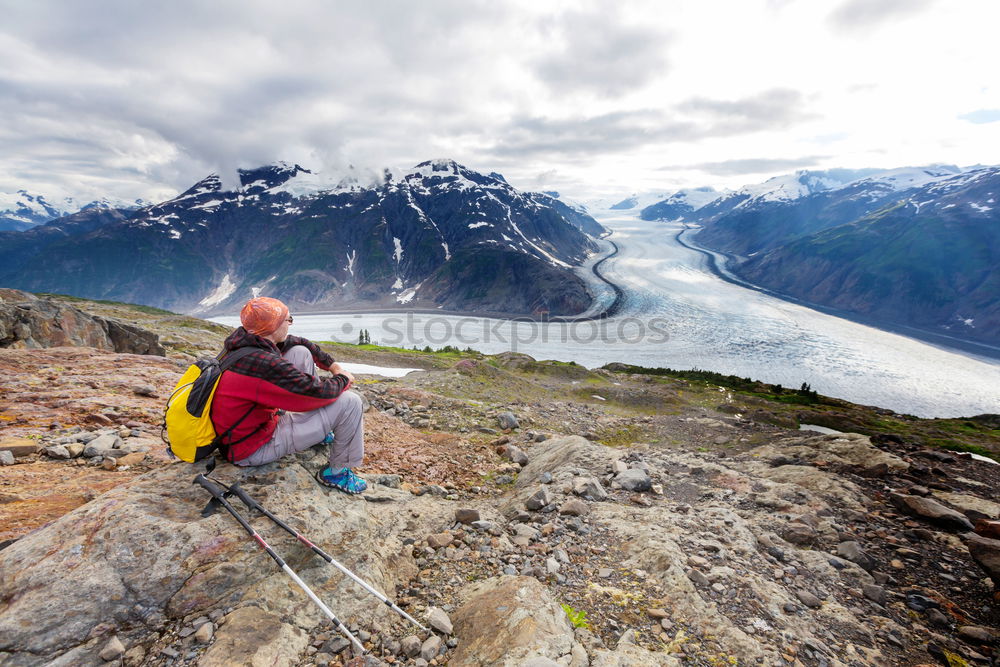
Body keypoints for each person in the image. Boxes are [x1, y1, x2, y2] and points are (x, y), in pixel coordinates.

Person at [210, 296, 367, 494]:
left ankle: (320, 433)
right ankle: (336, 473)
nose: (290, 324)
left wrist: (332, 365)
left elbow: (300, 343)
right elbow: (316, 393)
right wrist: (343, 378)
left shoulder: (245, 342)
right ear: (274, 325)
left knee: (299, 351)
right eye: (288, 319)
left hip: (237, 435)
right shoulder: (263, 363)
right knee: (351, 402)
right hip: (252, 448)